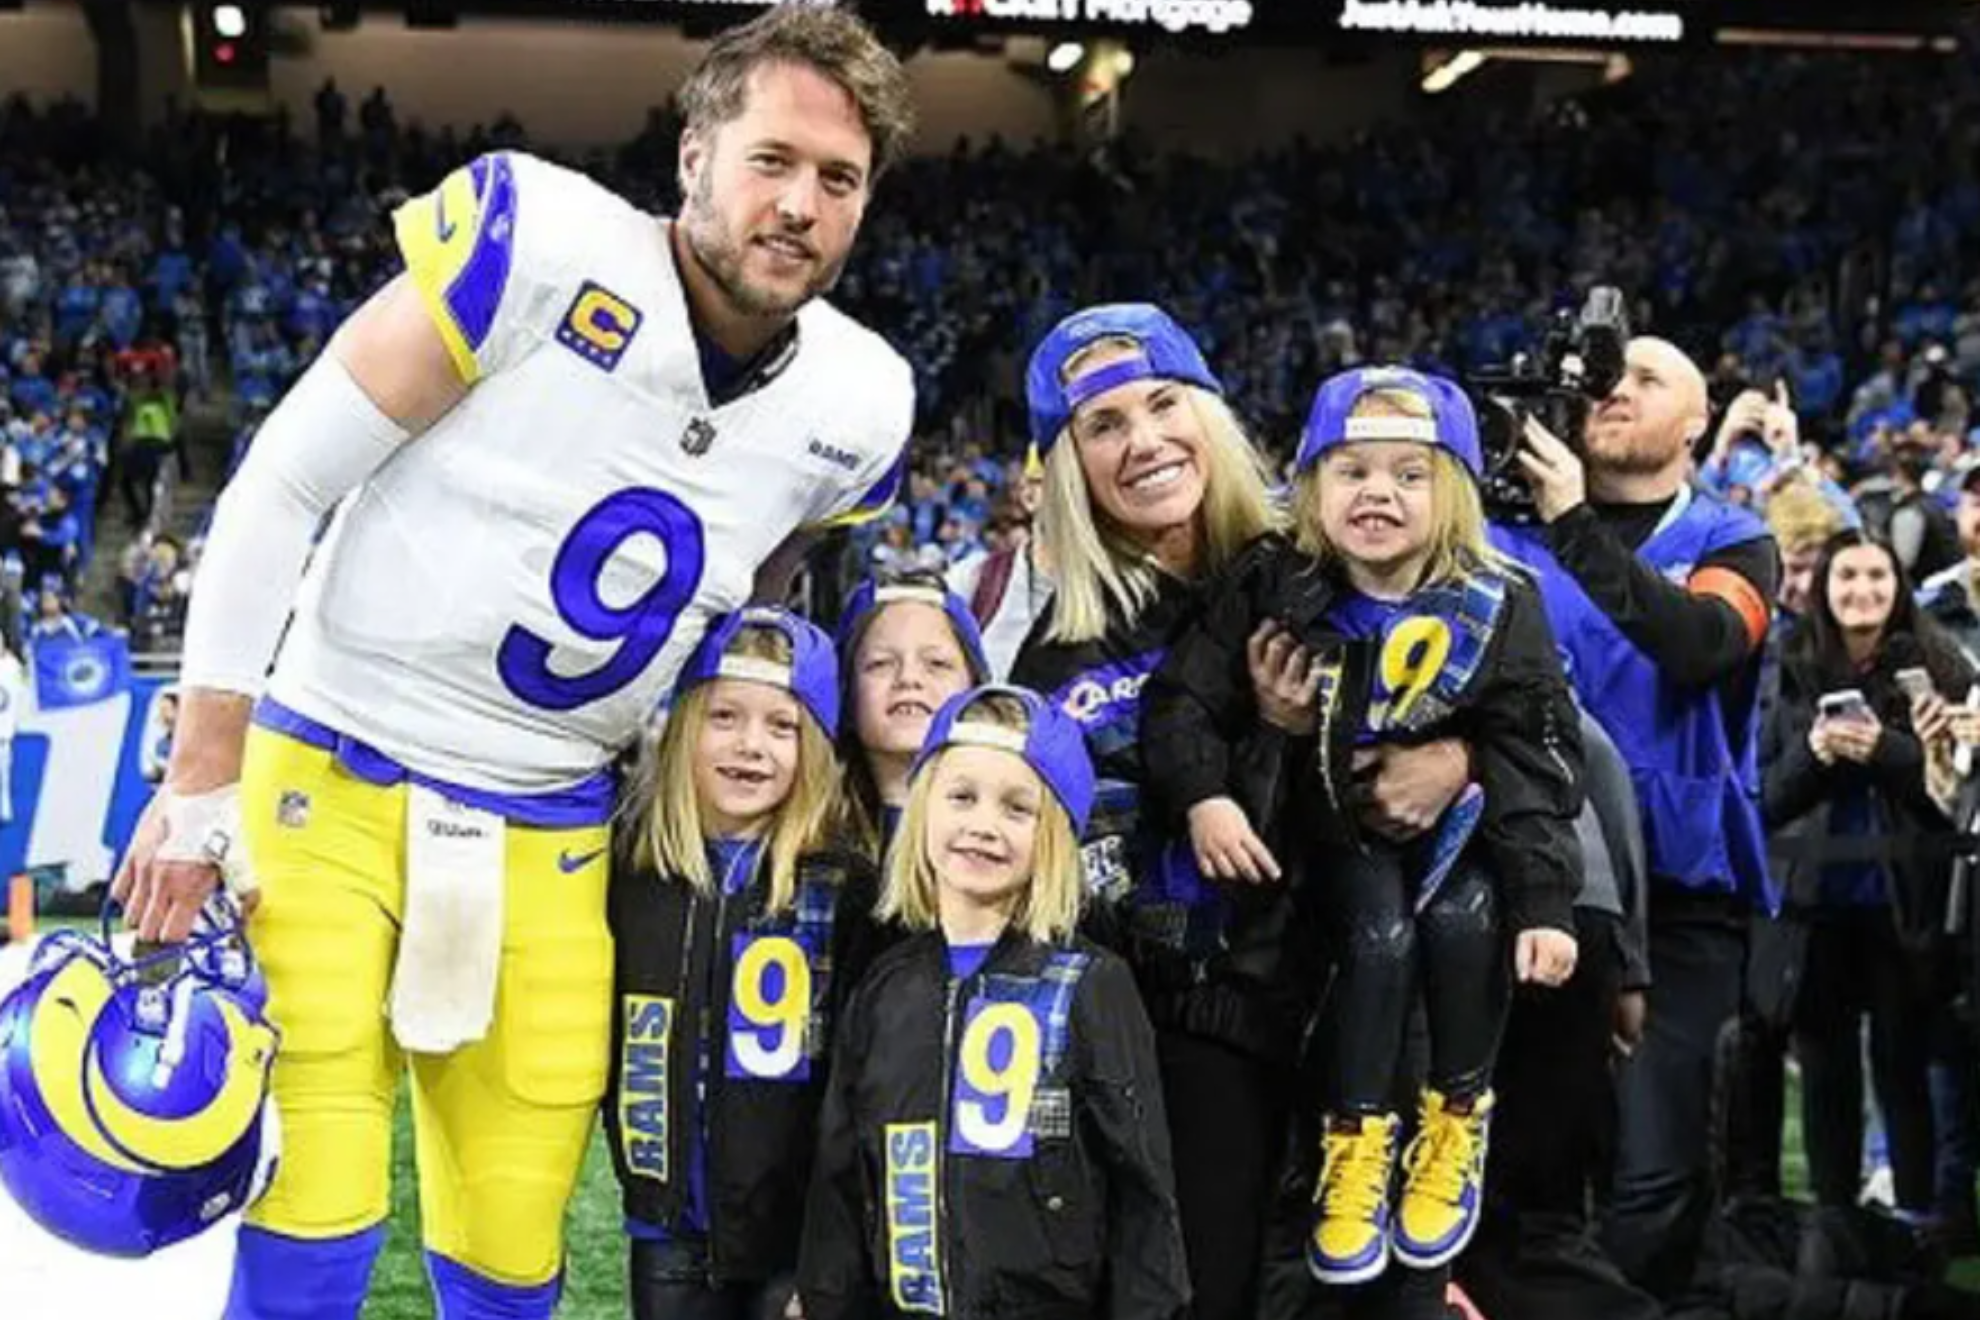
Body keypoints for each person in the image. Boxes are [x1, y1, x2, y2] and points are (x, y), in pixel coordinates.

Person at [109, 8, 919, 1317]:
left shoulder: (860, 405)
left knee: (510, 1232)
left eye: (839, 180)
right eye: (772, 159)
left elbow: (747, 612)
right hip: (334, 762)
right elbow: (278, 485)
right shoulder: (539, 244)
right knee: (310, 1204)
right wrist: (200, 788)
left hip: (553, 815)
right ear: (695, 156)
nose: (800, 205)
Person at [1011, 305, 1472, 1320]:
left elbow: (1520, 692)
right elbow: (1105, 880)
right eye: (1103, 425)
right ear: (1067, 466)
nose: (1143, 441)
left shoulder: (1339, 558)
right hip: (1196, 1042)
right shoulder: (1066, 658)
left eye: (1163, 403)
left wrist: (1456, 751)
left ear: (1209, 412)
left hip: (1383, 1012)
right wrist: (1269, 736)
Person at [1143, 366, 1583, 1285]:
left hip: (1459, 838)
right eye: (1351, 471)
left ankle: (1458, 1117)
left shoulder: (1503, 601)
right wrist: (1206, 796)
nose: (1377, 492)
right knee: (1379, 939)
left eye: (1408, 474)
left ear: (1454, 491)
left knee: (1466, 922)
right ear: (1308, 486)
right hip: (1331, 839)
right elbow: (1183, 701)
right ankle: (1355, 1144)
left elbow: (1536, 755)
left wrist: (1545, 902)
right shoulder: (1271, 581)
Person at [1496, 336, 1781, 1301]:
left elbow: (1697, 645)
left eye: (1648, 379)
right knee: (1530, 1160)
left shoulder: (1735, 540)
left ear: (1699, 420)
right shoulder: (1500, 536)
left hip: (1681, 885)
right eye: (1604, 380)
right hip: (1536, 884)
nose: (1616, 390)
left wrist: (1573, 520)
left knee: (1657, 1160)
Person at [796, 685, 1190, 1320]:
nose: (982, 824)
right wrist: (823, 1299)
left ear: (1057, 834)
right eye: (961, 797)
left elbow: (1143, 1191)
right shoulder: (884, 987)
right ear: (923, 807)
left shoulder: (1091, 985)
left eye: (1016, 808)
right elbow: (842, 1174)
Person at [604, 607, 880, 1320]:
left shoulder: (844, 886)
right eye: (725, 716)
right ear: (684, 723)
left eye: (782, 726)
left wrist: (831, 1250)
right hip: (664, 1226)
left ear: (814, 746)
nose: (751, 745)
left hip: (794, 1241)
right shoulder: (630, 866)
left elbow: (861, 1085)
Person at [1761, 532, 1970, 1228]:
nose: (1863, 590)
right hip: (1811, 905)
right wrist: (1816, 754)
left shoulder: (1939, 664)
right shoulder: (1782, 665)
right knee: (1825, 1075)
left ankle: (1918, 1225)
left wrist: (1890, 750)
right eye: (1846, 576)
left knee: (1904, 1068)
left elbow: (1951, 797)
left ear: (1898, 585)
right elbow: (1764, 798)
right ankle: (1833, 1226)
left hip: (1907, 904)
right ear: (1823, 586)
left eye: (1877, 576)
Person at [833, 569, 989, 852]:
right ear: (847, 693)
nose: (908, 678)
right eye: (880, 663)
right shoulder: (806, 847)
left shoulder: (1008, 839)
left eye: (937, 664)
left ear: (975, 688)